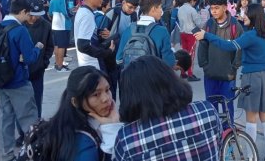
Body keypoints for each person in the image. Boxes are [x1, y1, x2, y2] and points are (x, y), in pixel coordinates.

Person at [92, 56, 221, 160]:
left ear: (130, 96)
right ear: (170, 79)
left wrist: (113, 127)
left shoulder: (127, 139)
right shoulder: (207, 111)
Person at [195, 3, 265, 161]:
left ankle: (249, 155)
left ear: (253, 16)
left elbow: (228, 46)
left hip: (252, 77)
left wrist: (207, 35)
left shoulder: (250, 35)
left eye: (246, 14)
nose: (243, 16)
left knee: (251, 119)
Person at [0, 0, 41, 161]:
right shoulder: (20, 30)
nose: (29, 18)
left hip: (0, 80)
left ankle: (7, 155)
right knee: (29, 118)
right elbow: (29, 58)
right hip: (18, 81)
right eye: (28, 14)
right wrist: (37, 48)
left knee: (6, 118)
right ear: (23, 12)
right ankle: (34, 153)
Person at [41, 66, 113, 161]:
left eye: (107, 90)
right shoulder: (83, 143)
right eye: (96, 94)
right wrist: (113, 130)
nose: (106, 98)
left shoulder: (69, 121)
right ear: (76, 102)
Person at [197, 0, 243, 128]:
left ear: (225, 7)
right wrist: (205, 65)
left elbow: (239, 49)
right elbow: (202, 46)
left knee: (228, 106)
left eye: (216, 8)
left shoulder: (235, 25)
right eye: (211, 8)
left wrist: (233, 67)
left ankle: (229, 132)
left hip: (228, 75)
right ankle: (214, 132)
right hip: (210, 74)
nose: (214, 11)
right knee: (212, 107)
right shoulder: (209, 25)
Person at [116, 0, 176, 67]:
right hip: (153, 76)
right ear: (154, 9)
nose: (161, 11)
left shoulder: (129, 29)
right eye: (160, 8)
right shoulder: (162, 31)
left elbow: (118, 59)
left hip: (131, 76)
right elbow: (169, 63)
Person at [23, 0, 54, 117]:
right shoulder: (20, 24)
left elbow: (50, 46)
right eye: (32, 15)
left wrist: (44, 62)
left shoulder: (46, 25)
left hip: (38, 69)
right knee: (22, 102)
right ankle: (23, 132)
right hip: (21, 70)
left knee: (36, 100)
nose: (34, 18)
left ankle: (36, 127)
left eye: (37, 15)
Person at [74, 0, 114, 70]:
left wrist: (99, 32)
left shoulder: (84, 11)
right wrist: (106, 52)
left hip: (89, 63)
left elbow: (85, 34)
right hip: (92, 64)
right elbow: (83, 45)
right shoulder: (86, 15)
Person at [177, 0, 205, 81]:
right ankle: (190, 74)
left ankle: (183, 72)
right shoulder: (192, 10)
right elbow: (199, 23)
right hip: (191, 33)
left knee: (183, 53)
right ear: (192, 1)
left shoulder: (180, 9)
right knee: (191, 54)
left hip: (182, 32)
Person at [49, 0, 75, 72]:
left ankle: (57, 64)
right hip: (63, 25)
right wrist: (73, 12)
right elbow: (66, 12)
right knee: (62, 47)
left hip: (55, 25)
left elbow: (50, 12)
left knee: (57, 45)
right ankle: (60, 66)